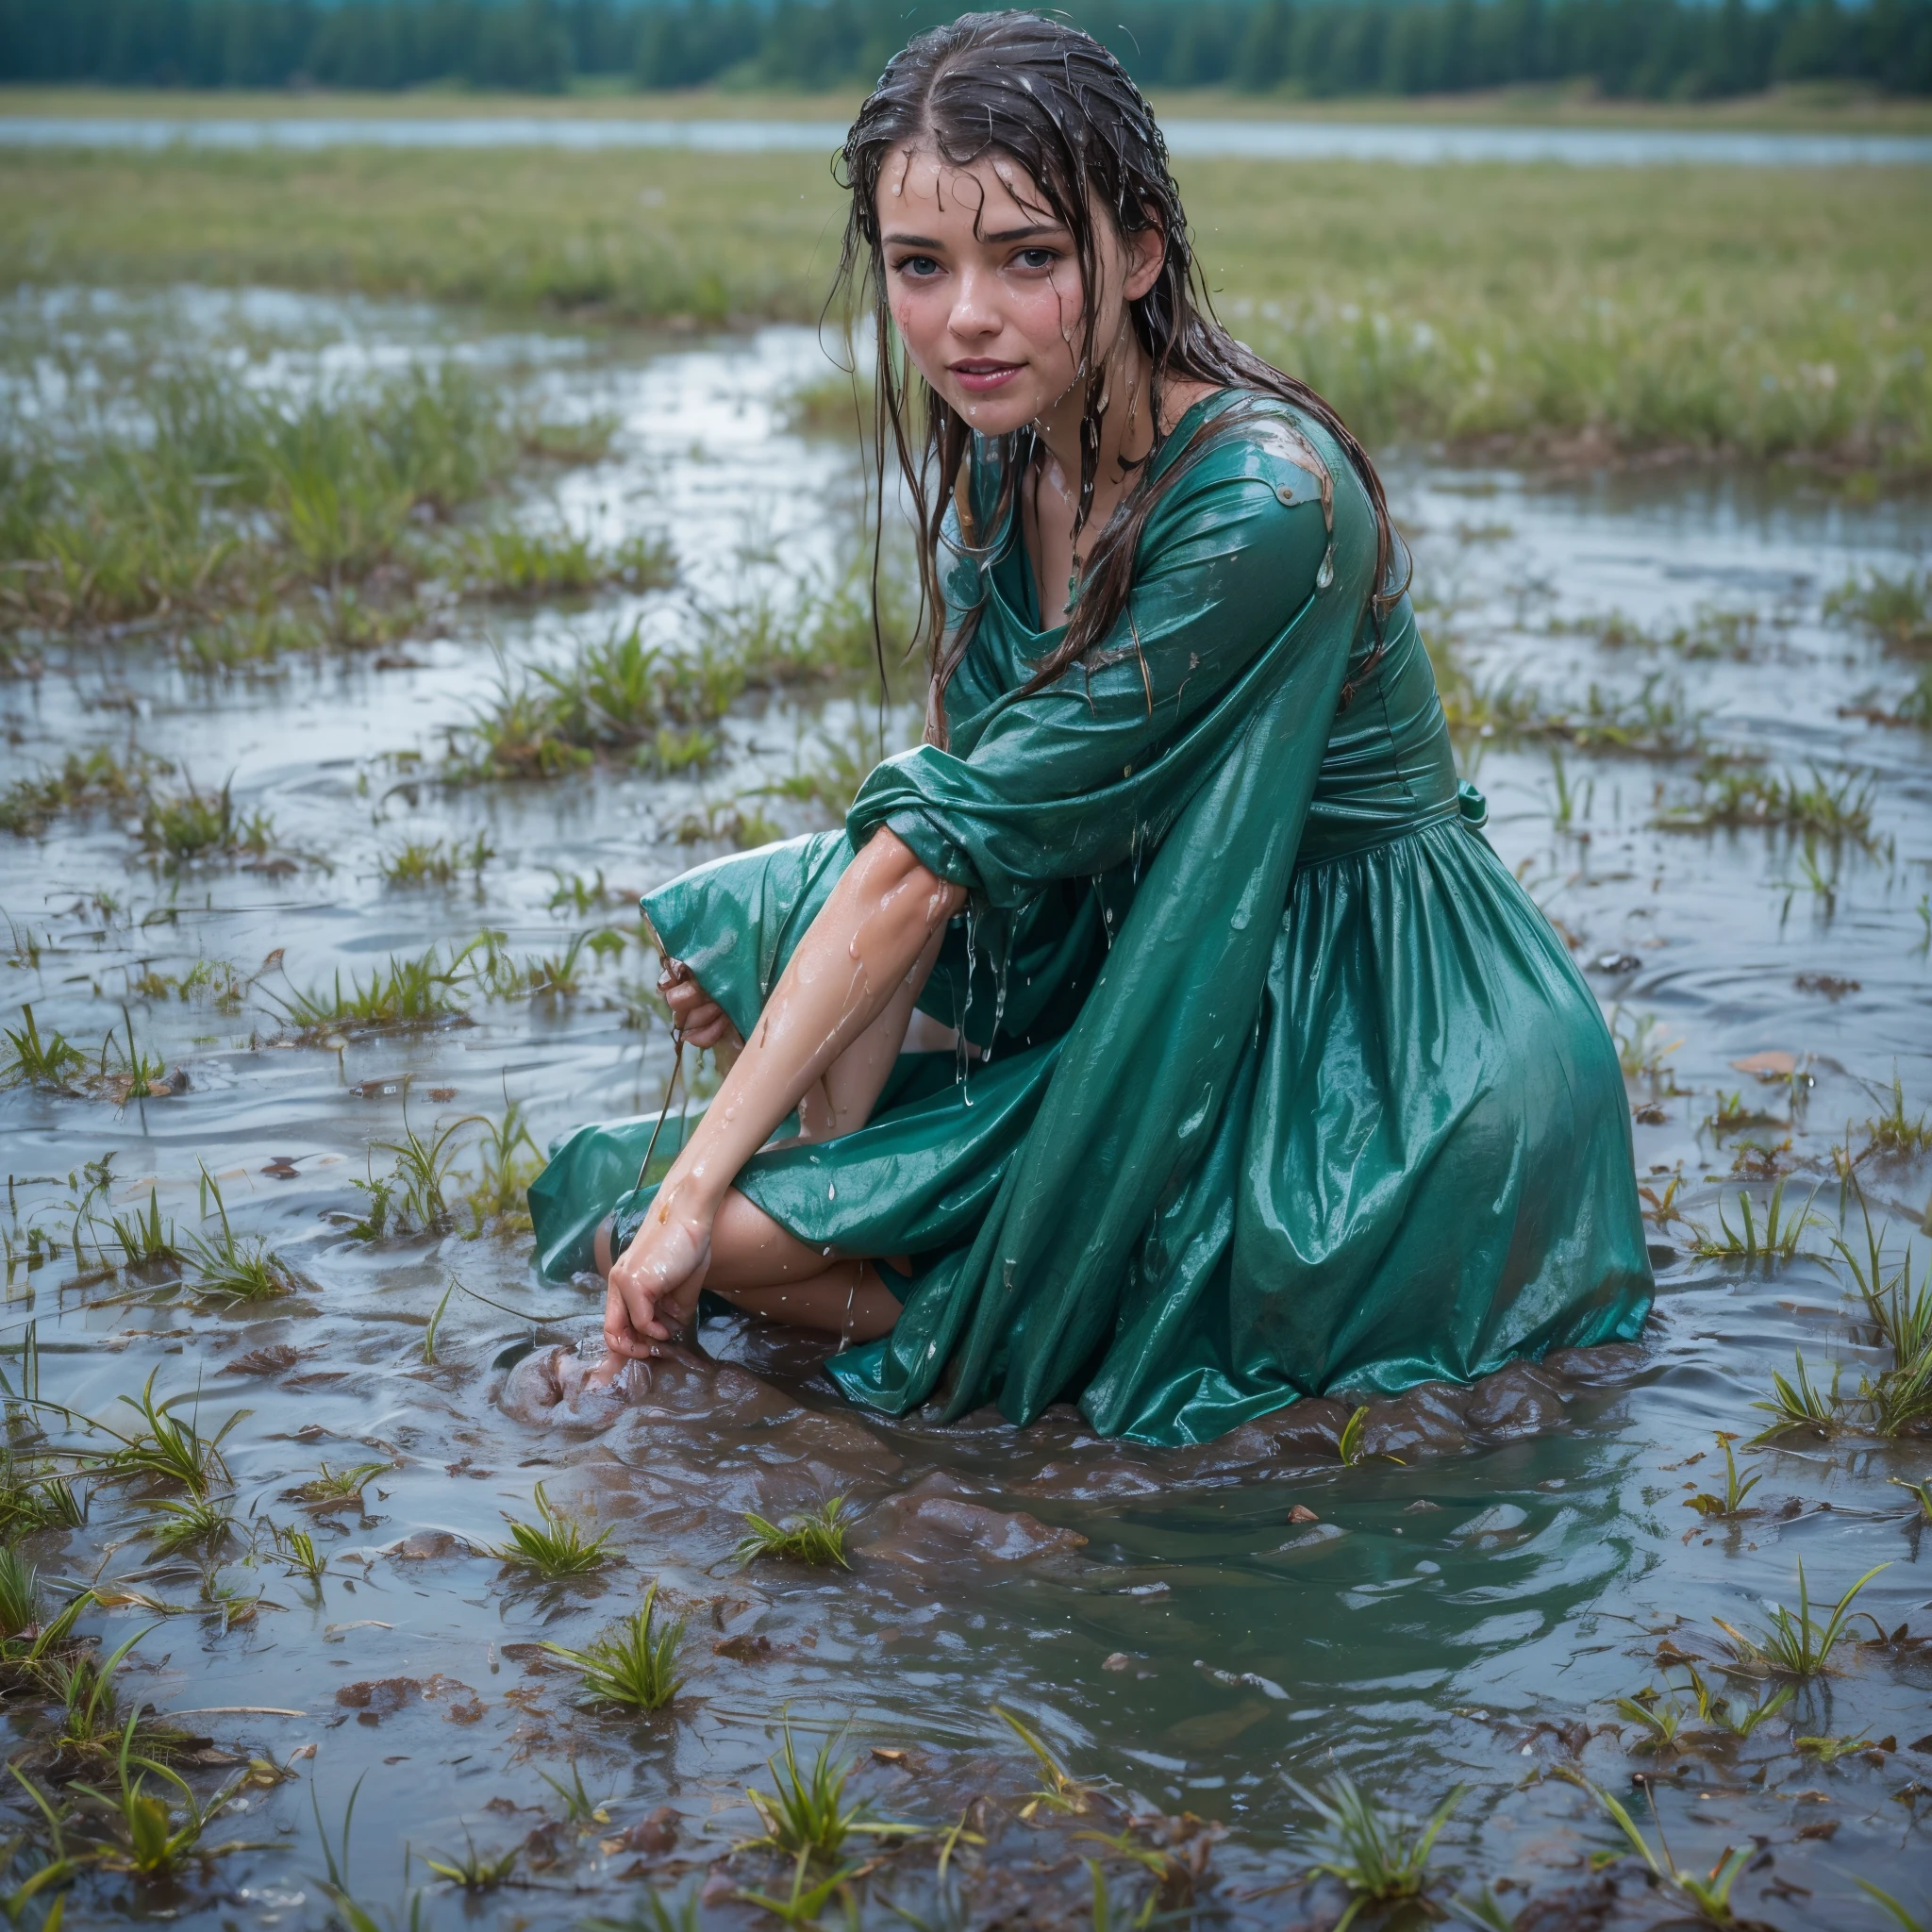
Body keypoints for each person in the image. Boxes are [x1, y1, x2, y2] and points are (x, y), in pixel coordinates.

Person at [526, 8, 1652, 1447]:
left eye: (1028, 258)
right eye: (921, 268)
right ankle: (894, 1251)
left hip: (1380, 1044)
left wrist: (707, 1201)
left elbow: (939, 857)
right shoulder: (1009, 465)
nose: (966, 321)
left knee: (677, 1233)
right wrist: (793, 1049)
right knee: (608, 1195)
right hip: (1160, 961)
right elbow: (953, 821)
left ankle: (975, 1303)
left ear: (1136, 252)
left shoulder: (1264, 503)